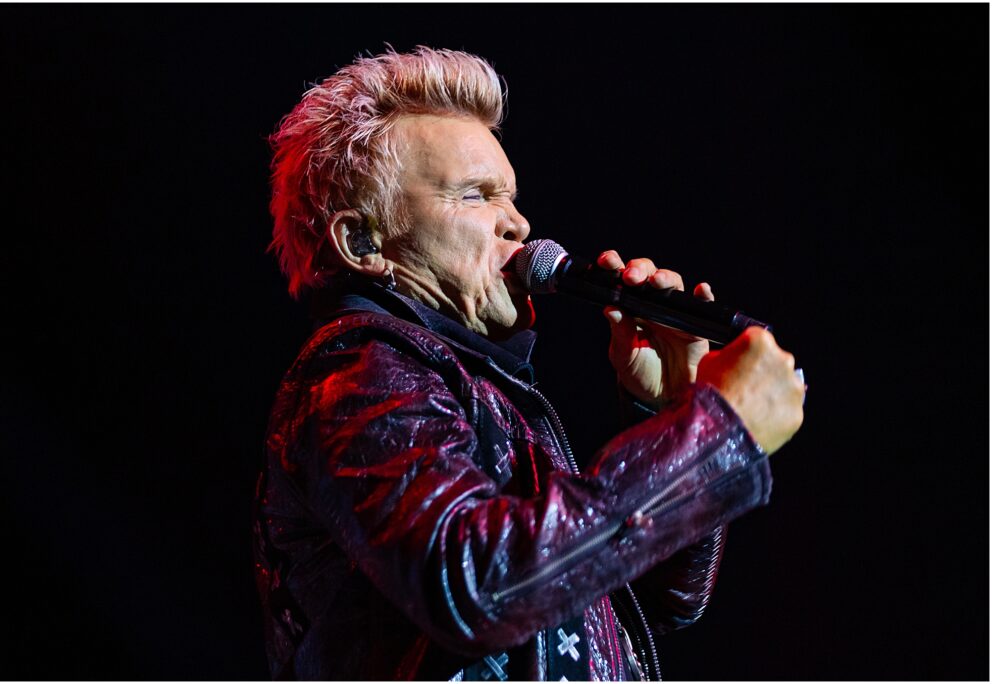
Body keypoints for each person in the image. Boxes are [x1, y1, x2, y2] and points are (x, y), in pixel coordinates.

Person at [253, 46, 804, 681]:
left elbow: (664, 601)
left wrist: (671, 413)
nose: (519, 225)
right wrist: (716, 435)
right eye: (475, 196)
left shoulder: (480, 392)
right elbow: (478, 585)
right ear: (363, 242)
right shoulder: (357, 369)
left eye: (511, 198)